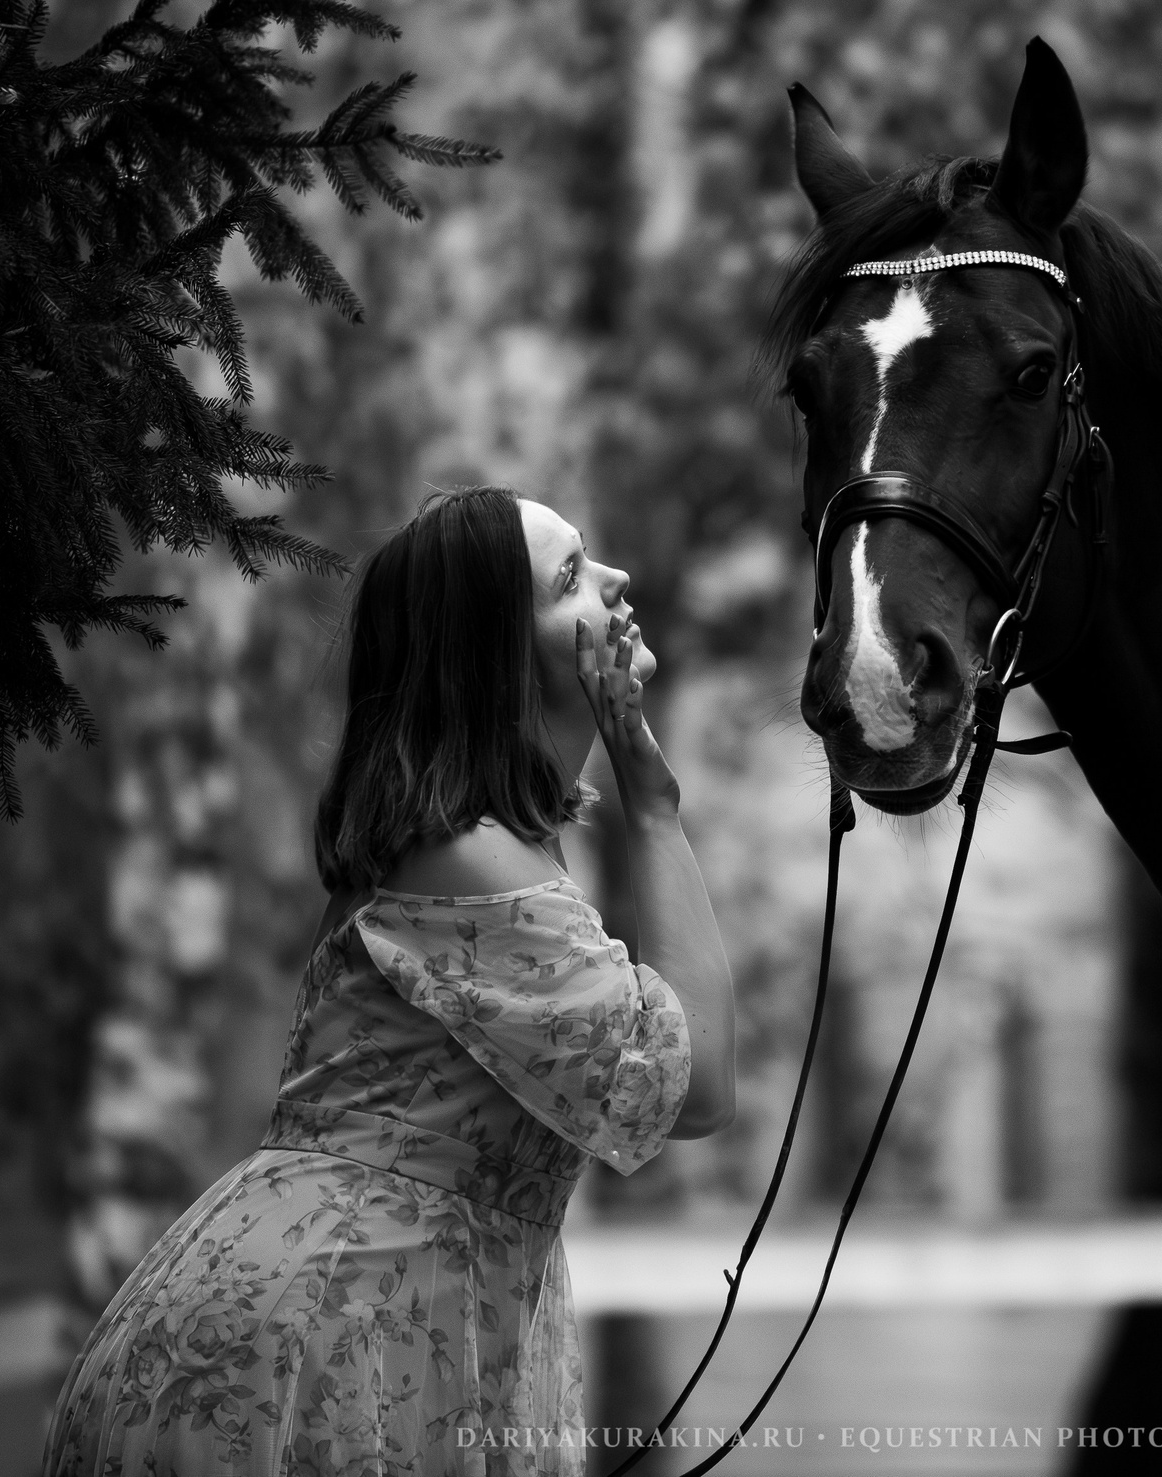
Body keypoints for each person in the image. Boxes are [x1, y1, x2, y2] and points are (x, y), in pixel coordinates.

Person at [44, 485, 737, 1477]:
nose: (618, 580)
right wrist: (658, 812)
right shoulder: (472, 858)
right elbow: (697, 1084)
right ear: (496, 652)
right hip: (320, 1344)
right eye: (573, 576)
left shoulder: (489, 848)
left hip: (362, 1317)